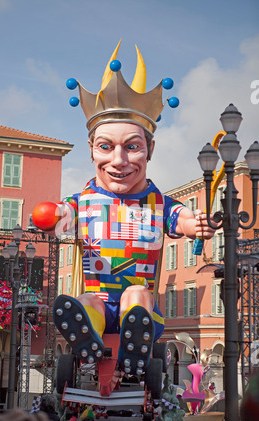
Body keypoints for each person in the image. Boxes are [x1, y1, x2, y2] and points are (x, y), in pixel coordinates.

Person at [32, 42, 216, 377]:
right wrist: (52, 215)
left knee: (137, 295)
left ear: (150, 150)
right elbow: (58, 216)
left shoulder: (158, 204)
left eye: (132, 147)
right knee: (89, 303)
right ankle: (89, 340)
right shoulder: (82, 203)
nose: (119, 161)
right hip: (98, 301)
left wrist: (195, 224)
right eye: (106, 147)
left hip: (141, 309)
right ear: (91, 150)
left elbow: (182, 218)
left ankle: (134, 343)